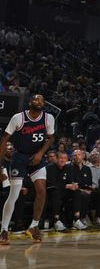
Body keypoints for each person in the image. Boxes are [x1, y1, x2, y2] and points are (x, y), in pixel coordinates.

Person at [0, 94, 55, 245]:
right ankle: (4, 229)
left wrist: (40, 153)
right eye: (37, 99)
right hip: (20, 157)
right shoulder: (18, 118)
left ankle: (34, 226)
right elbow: (4, 140)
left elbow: (51, 138)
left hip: (37, 158)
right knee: (14, 194)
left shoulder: (48, 118)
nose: (39, 102)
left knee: (42, 190)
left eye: (42, 100)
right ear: (30, 102)